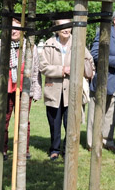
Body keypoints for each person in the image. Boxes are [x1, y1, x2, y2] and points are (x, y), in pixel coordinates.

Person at [0, 18, 41, 159]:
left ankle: (23, 149)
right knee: (3, 120)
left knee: (23, 120)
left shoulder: (30, 46)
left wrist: (36, 91)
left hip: (24, 88)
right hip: (4, 88)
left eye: (17, 28)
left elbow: (36, 70)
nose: (14, 31)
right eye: (11, 28)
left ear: (23, 30)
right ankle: (2, 149)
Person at [39, 19, 94, 160]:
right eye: (62, 26)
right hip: (54, 90)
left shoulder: (78, 42)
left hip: (72, 89)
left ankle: (67, 150)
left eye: (68, 26)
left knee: (70, 123)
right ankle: (54, 150)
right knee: (54, 122)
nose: (66, 29)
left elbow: (89, 61)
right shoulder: (49, 44)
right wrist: (62, 70)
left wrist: (84, 71)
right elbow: (43, 67)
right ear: (57, 28)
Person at [87, 9, 115, 152]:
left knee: (111, 113)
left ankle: (107, 141)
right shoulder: (104, 33)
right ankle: (91, 143)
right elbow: (95, 55)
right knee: (95, 112)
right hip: (103, 81)